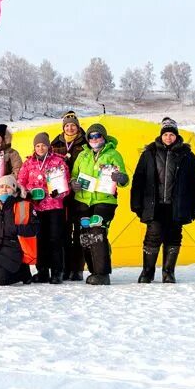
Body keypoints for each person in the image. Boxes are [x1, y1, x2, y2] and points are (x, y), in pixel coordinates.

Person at [130, 117, 195, 283]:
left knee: (174, 237)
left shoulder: (187, 156)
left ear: (176, 136)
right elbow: (138, 179)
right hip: (154, 205)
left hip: (177, 205)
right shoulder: (149, 153)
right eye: (166, 134)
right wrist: (136, 203)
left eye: (171, 134)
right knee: (153, 236)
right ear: (161, 135)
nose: (168, 137)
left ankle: (168, 272)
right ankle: (147, 272)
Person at [69, 123, 128, 285]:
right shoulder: (82, 155)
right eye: (91, 136)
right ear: (87, 139)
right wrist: (73, 183)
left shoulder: (113, 154)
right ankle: (93, 270)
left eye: (98, 136)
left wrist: (121, 178)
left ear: (104, 137)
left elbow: (123, 178)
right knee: (85, 234)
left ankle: (102, 273)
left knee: (97, 230)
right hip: (82, 200)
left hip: (104, 200)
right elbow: (73, 174)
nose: (94, 139)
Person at [18, 132, 71, 284]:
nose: (40, 148)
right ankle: (42, 271)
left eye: (43, 145)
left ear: (49, 146)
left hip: (54, 207)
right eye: (38, 145)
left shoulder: (58, 162)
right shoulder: (28, 163)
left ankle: (57, 271)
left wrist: (59, 192)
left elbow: (66, 185)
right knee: (39, 240)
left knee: (55, 239)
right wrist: (27, 193)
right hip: (36, 207)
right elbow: (21, 182)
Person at [0, 175, 38, 286]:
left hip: (13, 248)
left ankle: (23, 272)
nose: (4, 189)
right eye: (1, 187)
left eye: (8, 187)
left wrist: (15, 228)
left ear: (14, 189)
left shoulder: (24, 205)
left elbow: (35, 228)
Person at [50, 111, 87, 281]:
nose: (70, 128)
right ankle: (64, 267)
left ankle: (77, 268)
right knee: (63, 231)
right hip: (61, 194)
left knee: (80, 231)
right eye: (67, 125)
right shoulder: (55, 143)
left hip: (81, 193)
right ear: (63, 127)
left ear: (78, 127)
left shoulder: (86, 142)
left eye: (73, 125)